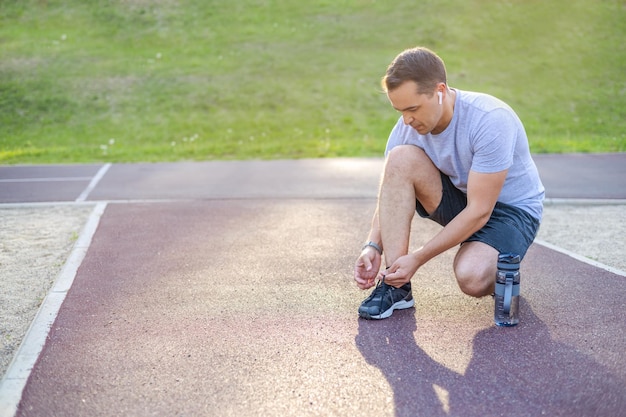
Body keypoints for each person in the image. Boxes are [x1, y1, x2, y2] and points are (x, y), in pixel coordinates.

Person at [354, 46, 544, 320]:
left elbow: (480, 210)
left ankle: (498, 265)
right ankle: (397, 287)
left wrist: (417, 258)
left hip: (511, 213)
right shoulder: (406, 128)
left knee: (472, 278)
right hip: (463, 200)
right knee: (400, 158)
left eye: (413, 108)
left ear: (440, 91)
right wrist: (372, 246)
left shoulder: (490, 120)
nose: (407, 119)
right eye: (399, 110)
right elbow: (390, 193)